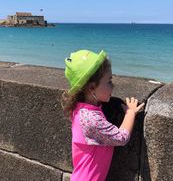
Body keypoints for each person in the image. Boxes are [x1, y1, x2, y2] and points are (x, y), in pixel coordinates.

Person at [62, 49, 145, 181]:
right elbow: (121, 137)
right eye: (109, 81)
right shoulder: (90, 119)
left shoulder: (80, 109)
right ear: (91, 88)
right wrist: (130, 113)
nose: (113, 86)